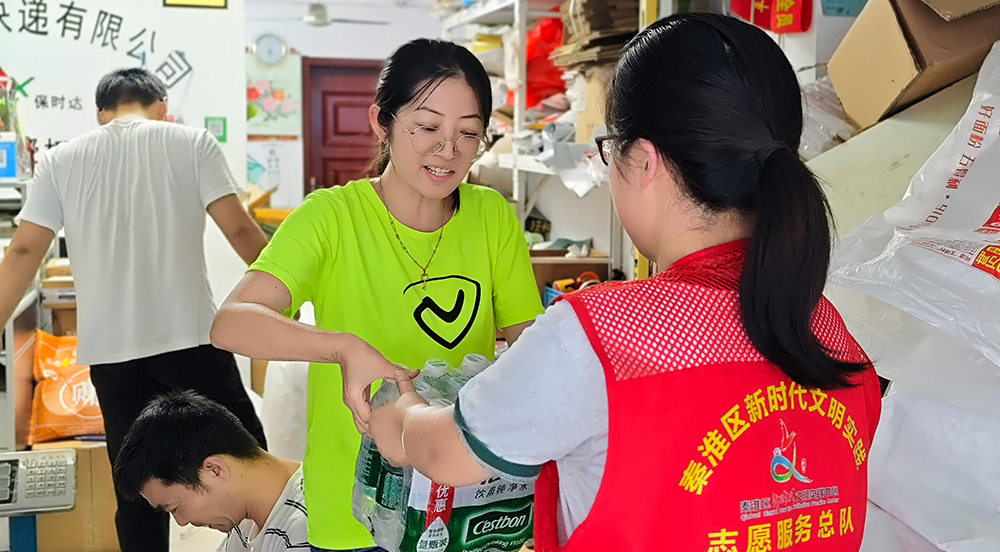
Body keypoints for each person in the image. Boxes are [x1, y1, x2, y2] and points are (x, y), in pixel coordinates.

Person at [343, 14, 883, 552]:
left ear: (644, 161)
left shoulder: (602, 335)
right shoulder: (830, 332)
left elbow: (444, 455)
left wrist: (402, 411)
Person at [209, 39, 543, 551]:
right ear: (381, 122)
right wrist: (343, 348)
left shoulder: (491, 216)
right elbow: (231, 322)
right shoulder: (332, 217)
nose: (448, 149)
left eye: (468, 133)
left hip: (461, 503)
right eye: (427, 128)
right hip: (355, 510)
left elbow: (529, 346)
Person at [0, 68, 269, 551]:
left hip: (113, 356)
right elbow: (243, 233)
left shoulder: (61, 160)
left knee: (139, 489)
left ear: (101, 113)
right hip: (192, 340)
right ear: (163, 106)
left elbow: (23, 253)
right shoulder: (192, 142)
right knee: (251, 461)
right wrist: (304, 296)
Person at [114, 391, 306, 552]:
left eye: (175, 508)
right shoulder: (246, 516)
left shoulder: (304, 531)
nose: (182, 522)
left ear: (215, 470)